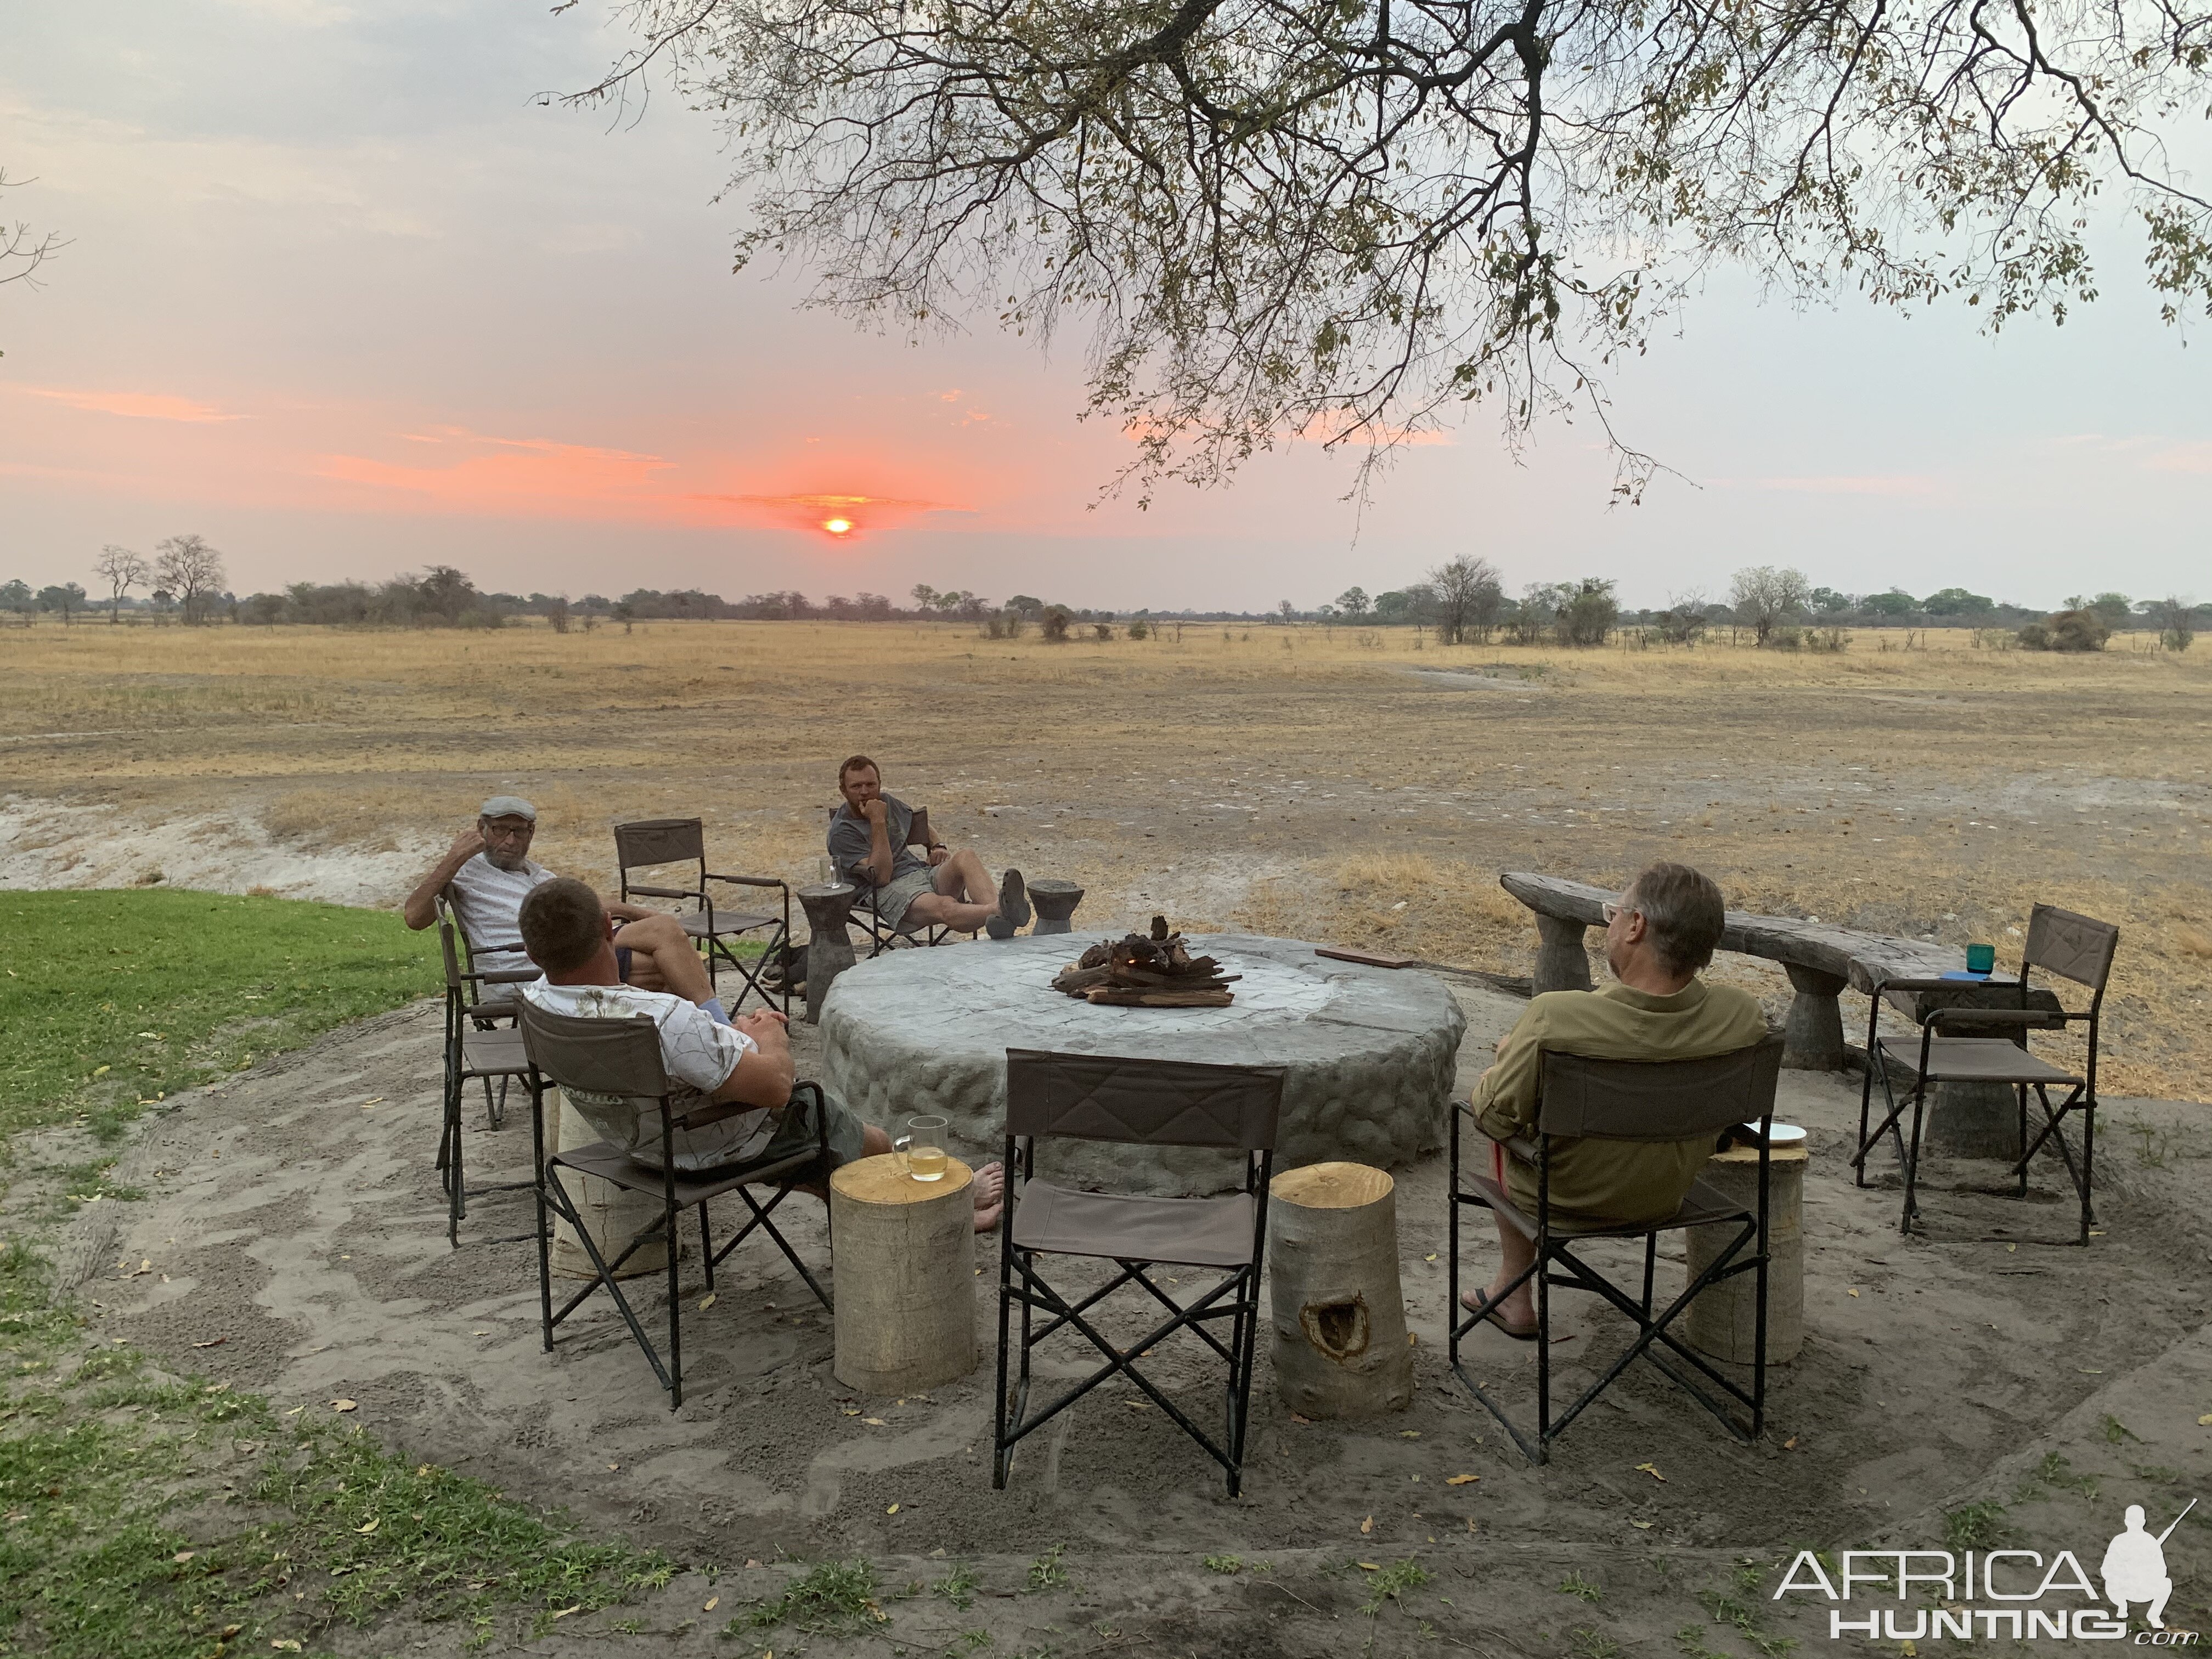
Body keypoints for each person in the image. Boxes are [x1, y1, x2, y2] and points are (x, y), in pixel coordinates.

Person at [517, 877, 1005, 1228]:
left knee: (816, 1146)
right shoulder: (662, 1018)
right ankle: (948, 1203)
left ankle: (869, 1206)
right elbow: (774, 1089)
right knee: (838, 1122)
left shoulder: (536, 1002)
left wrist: (733, 1039)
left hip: (627, 1144)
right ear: (608, 927)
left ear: (534, 952)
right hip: (701, 1149)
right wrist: (769, 1033)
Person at [1463, 861, 1768, 1338]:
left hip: (1565, 1200)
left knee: (1507, 1119)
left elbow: (1492, 1117)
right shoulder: (1741, 1016)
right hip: (1669, 1194)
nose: (1611, 924)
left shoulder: (1555, 1019)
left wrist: (1503, 1062)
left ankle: (1512, 1293)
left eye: (1614, 913)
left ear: (1636, 926)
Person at [400, 795, 686, 988]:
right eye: (500, 830)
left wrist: (636, 911)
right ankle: (703, 1040)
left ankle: (692, 1041)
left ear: (532, 833)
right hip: (526, 965)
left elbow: (582, 904)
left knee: (663, 932)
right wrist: (453, 858)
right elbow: (415, 917)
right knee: (668, 965)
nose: (510, 841)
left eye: (519, 831)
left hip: (571, 947)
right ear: (481, 829)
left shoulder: (536, 874)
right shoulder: (464, 871)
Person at [827, 757, 1031, 940]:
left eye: (871, 785)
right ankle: (1001, 909)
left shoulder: (887, 802)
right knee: (945, 906)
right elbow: (881, 876)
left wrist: (937, 845)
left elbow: (920, 824)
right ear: (843, 790)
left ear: (879, 784)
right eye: (856, 787)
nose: (865, 792)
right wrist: (878, 821)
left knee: (965, 856)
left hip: (919, 873)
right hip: (885, 891)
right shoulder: (841, 832)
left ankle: (999, 918)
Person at [2101, 1504, 2176, 1628]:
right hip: (2123, 1588)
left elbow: (2162, 1571)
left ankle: (2153, 1615)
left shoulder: (2150, 1542)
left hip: (2143, 1589)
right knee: (2110, 1582)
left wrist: (2145, 1570)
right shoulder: (2119, 1541)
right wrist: (2124, 1572)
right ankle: (2122, 1606)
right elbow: (2106, 1570)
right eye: (2132, 1520)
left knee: (2167, 1583)